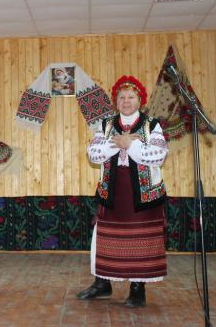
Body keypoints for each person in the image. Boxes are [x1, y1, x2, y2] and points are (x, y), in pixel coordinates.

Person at [77, 75, 168, 308]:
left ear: (140, 100)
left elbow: (159, 155)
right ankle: (102, 283)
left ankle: (137, 289)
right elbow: (93, 154)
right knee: (106, 238)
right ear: (115, 101)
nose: (126, 101)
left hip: (143, 194)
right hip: (113, 190)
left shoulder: (152, 125)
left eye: (131, 97)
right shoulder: (106, 125)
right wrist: (117, 143)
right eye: (121, 97)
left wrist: (131, 144)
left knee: (141, 241)